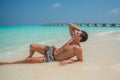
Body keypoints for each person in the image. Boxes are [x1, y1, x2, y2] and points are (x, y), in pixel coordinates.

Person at [0, 23, 88, 65]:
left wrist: (69, 61)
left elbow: (80, 60)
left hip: (52, 58)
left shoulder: (77, 48)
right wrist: (81, 31)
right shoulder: (72, 38)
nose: (75, 32)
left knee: (27, 62)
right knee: (32, 46)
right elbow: (70, 25)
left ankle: (7, 63)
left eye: (78, 33)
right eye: (77, 32)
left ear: (80, 38)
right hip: (52, 50)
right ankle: (30, 56)